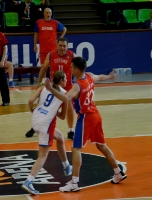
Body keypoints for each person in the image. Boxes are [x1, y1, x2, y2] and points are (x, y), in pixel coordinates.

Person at [44, 57, 127, 192]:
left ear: (76, 70)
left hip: (86, 117)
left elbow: (66, 97)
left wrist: (50, 89)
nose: (69, 69)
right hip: (96, 114)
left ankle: (74, 183)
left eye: (71, 68)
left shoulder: (78, 85)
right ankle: (118, 173)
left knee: (76, 149)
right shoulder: (89, 76)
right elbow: (100, 77)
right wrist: (110, 77)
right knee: (101, 145)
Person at [21, 71, 72, 195]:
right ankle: (29, 181)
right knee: (43, 155)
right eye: (65, 79)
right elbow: (63, 117)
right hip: (46, 125)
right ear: (61, 81)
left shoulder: (44, 87)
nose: (67, 81)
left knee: (59, 137)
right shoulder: (64, 95)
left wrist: (33, 109)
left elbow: (30, 100)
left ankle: (66, 166)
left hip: (36, 120)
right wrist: (53, 111)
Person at [26, 38, 75, 140]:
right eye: (60, 45)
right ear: (57, 45)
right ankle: (34, 127)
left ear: (67, 46)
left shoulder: (72, 55)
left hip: (67, 87)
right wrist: (39, 82)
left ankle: (71, 130)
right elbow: (43, 68)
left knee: (69, 107)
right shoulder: (51, 54)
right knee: (43, 104)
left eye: (64, 46)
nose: (62, 48)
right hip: (53, 86)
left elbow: (77, 70)